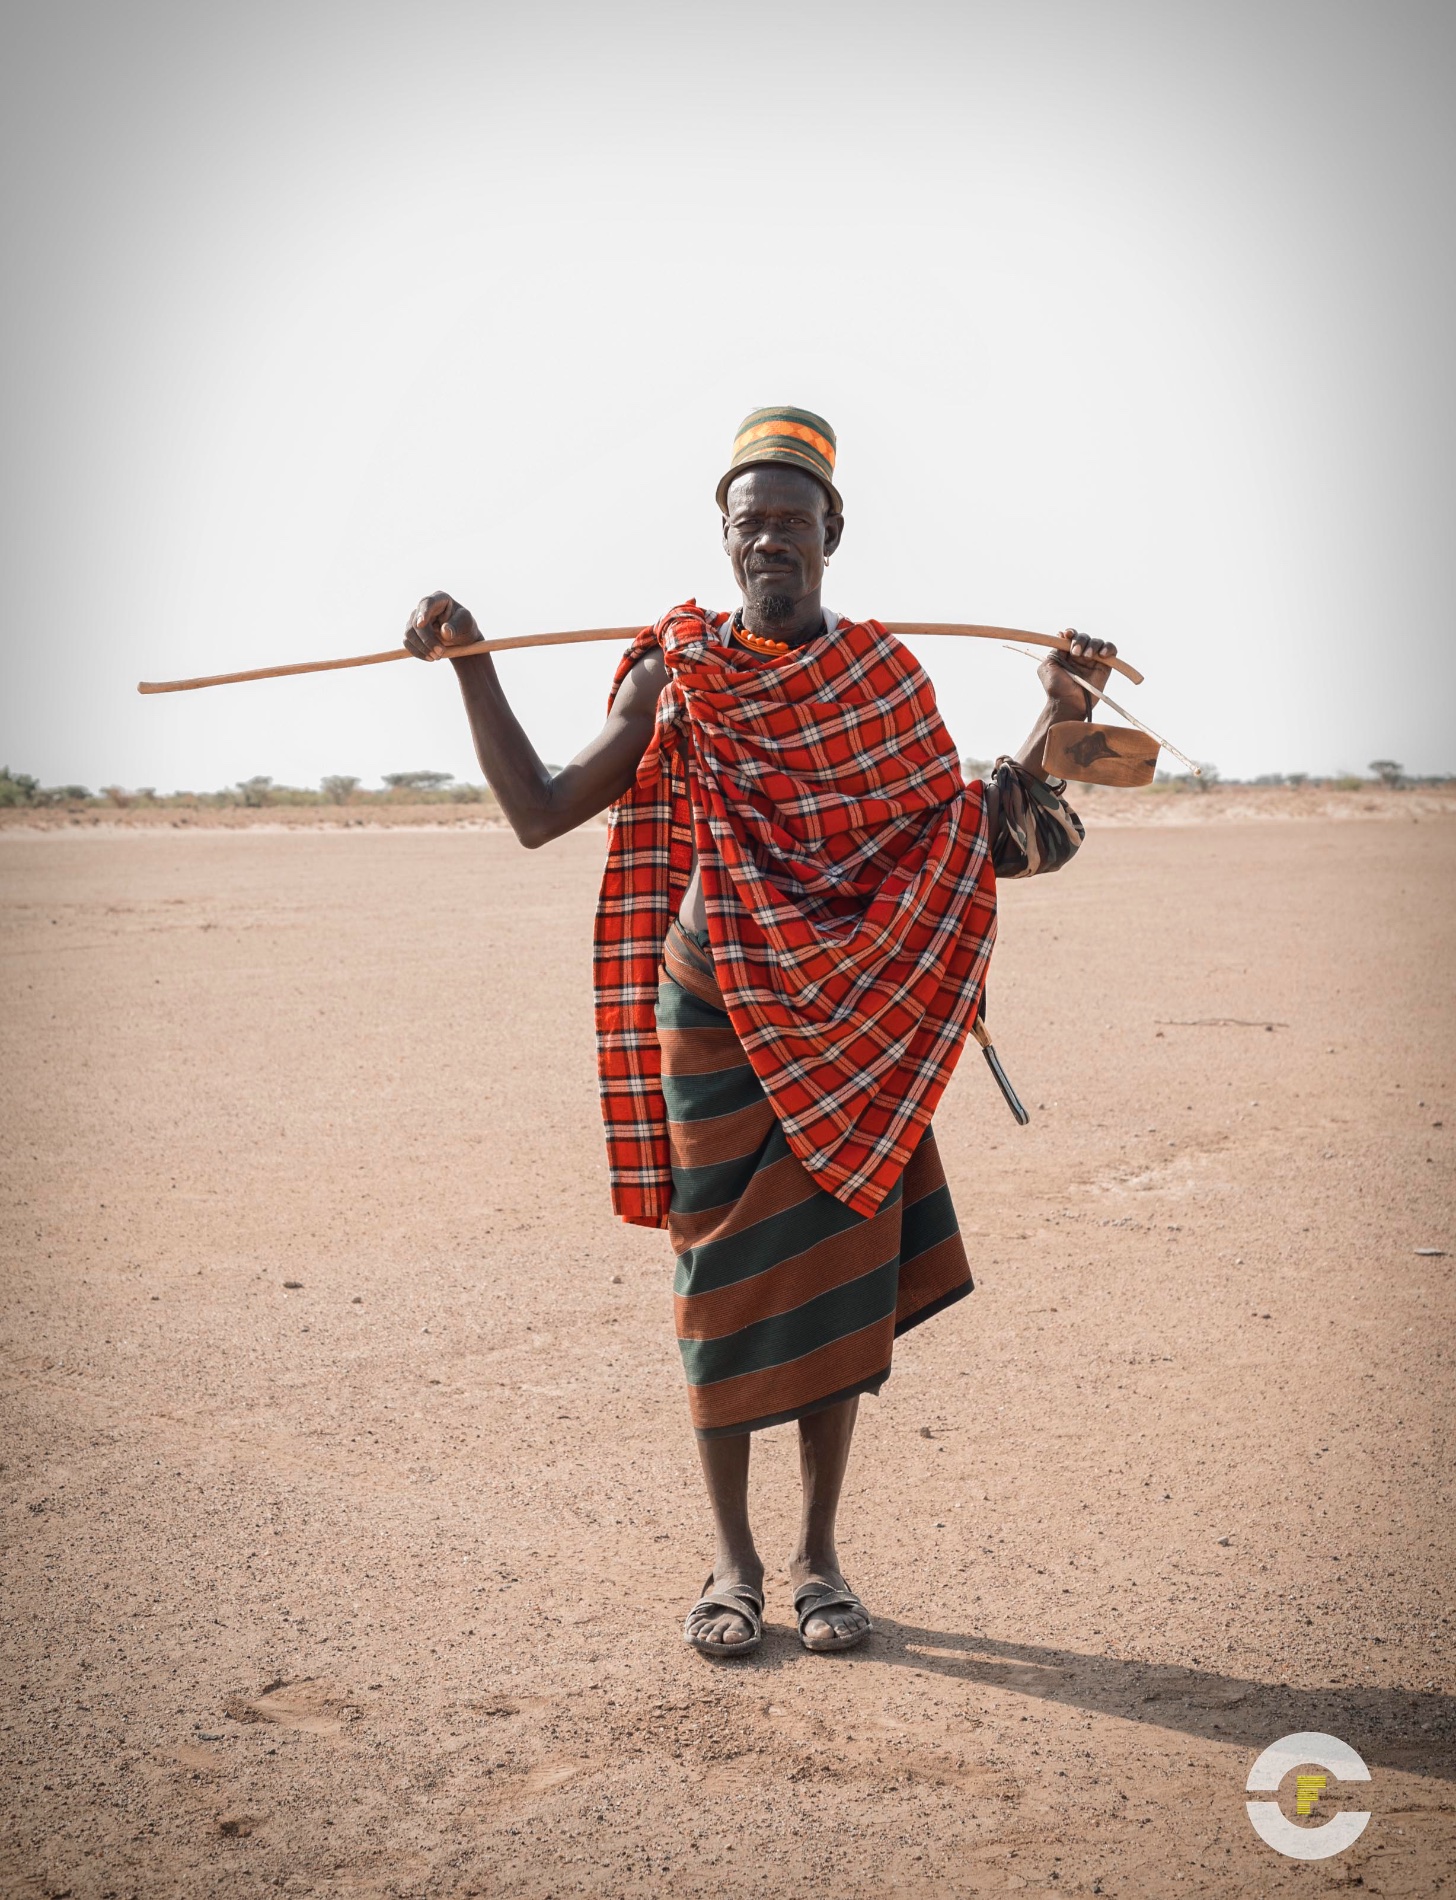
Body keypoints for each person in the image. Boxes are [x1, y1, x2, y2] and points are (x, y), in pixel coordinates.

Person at [403, 407, 1116, 1659]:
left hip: (854, 1016)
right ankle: (730, 1563)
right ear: (725, 539)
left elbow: (969, 837)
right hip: (715, 1005)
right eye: (750, 524)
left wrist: (1059, 716)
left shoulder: (884, 678)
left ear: (832, 531)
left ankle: (818, 1558)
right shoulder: (675, 671)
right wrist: (474, 666)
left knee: (838, 1270)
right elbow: (541, 811)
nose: (769, 542)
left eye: (792, 520)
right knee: (717, 1279)